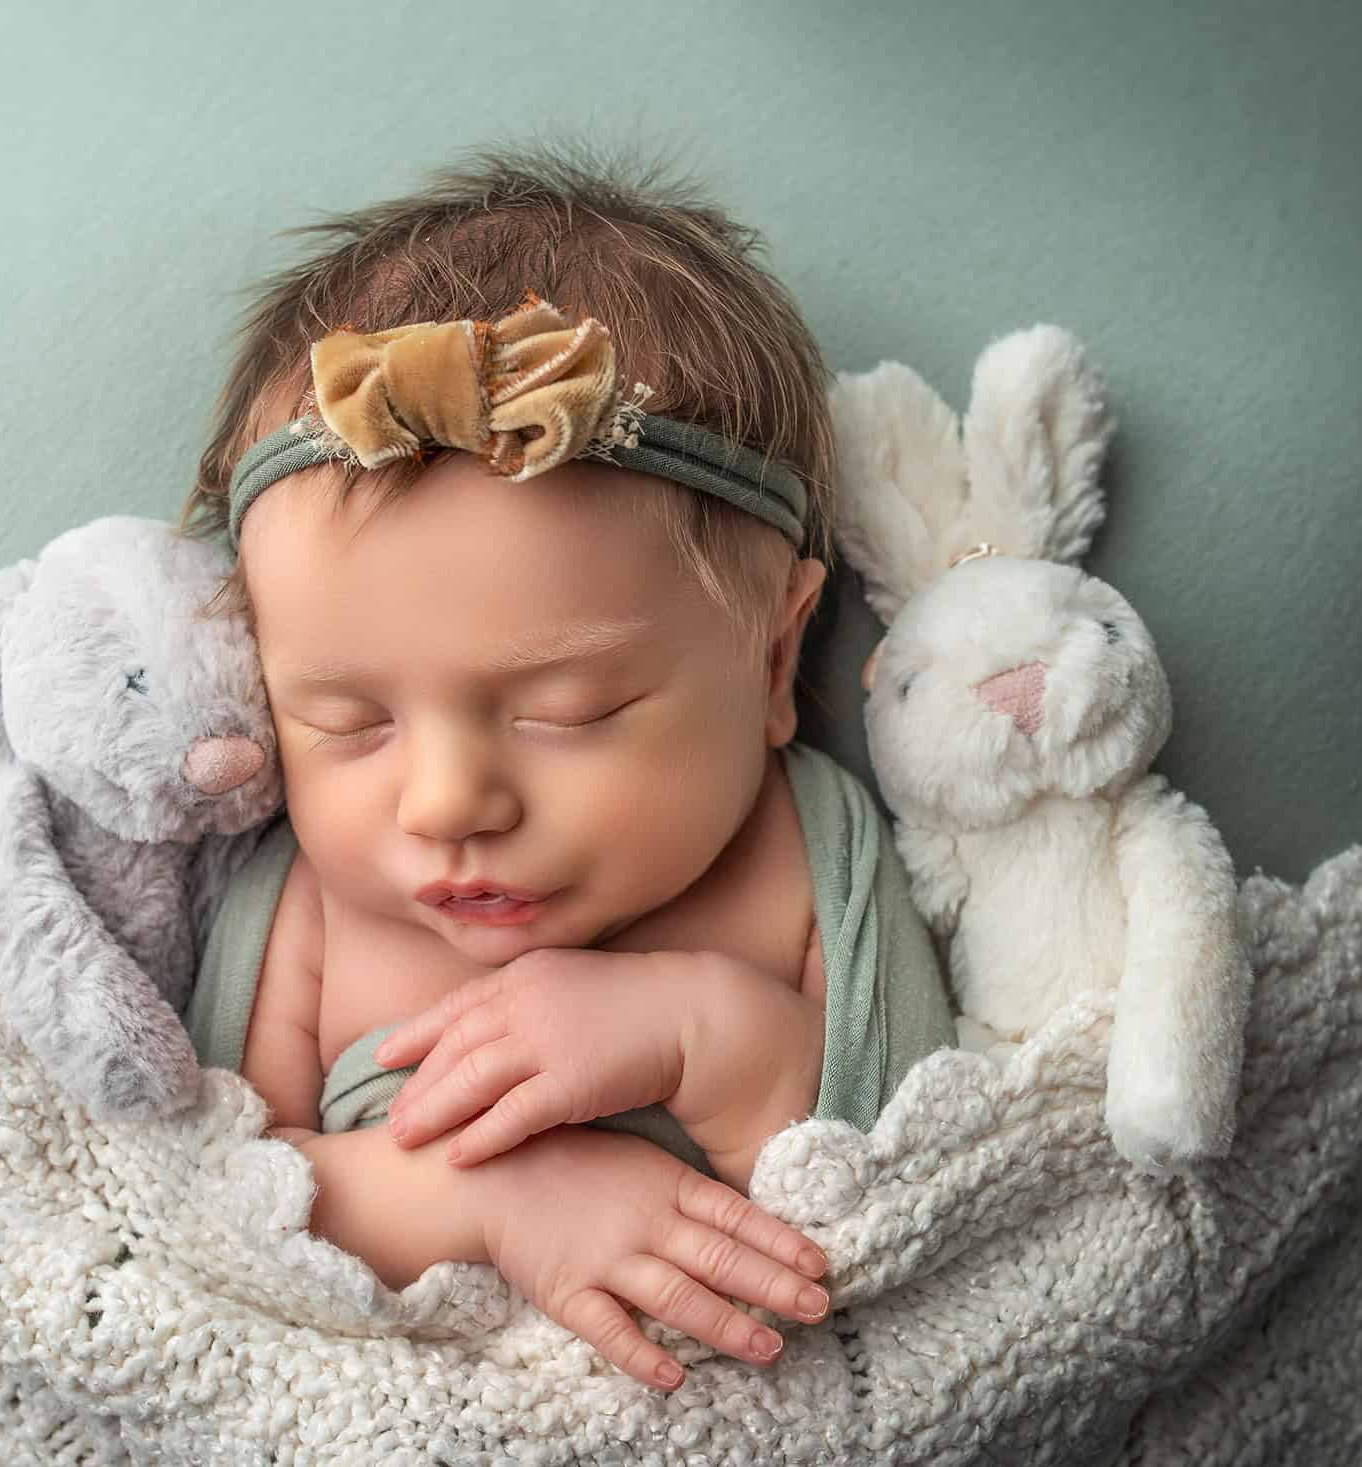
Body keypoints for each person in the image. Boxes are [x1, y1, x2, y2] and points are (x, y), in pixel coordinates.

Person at [179, 144, 954, 1392]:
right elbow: (222, 1199)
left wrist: (708, 1038)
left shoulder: (806, 850)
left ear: (771, 662)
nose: (445, 805)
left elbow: (926, 1163)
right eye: (348, 722)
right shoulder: (309, 905)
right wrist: (492, 1199)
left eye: (568, 710)